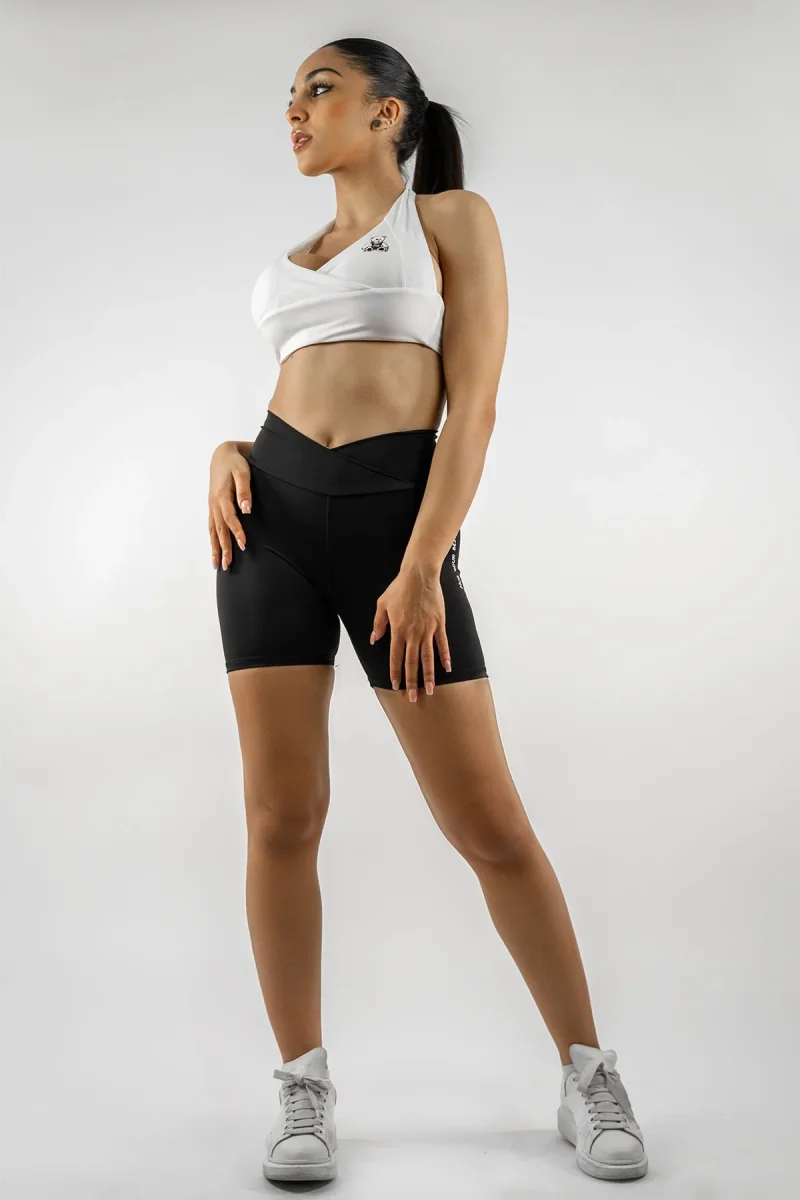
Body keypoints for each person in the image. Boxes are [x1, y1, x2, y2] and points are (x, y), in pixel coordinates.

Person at [209, 36, 648, 1186]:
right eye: (288, 95)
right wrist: (225, 451)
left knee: (487, 824)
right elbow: (297, 393)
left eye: (318, 88)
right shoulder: (292, 261)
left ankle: (586, 1073)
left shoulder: (448, 221)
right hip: (266, 534)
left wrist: (421, 566)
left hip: (392, 539)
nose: (294, 110)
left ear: (386, 111)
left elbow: (473, 408)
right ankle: (302, 1084)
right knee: (279, 817)